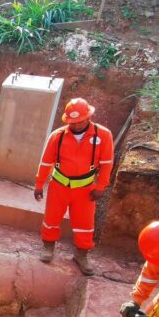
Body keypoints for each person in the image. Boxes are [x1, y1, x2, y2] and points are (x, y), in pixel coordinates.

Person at [33, 98, 114, 276]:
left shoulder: (103, 135)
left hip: (85, 190)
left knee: (85, 224)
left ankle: (81, 255)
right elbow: (46, 162)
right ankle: (48, 247)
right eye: (72, 122)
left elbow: (107, 163)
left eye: (79, 121)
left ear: (88, 117)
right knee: (51, 219)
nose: (75, 125)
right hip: (59, 186)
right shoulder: (58, 136)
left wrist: (101, 186)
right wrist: (39, 184)